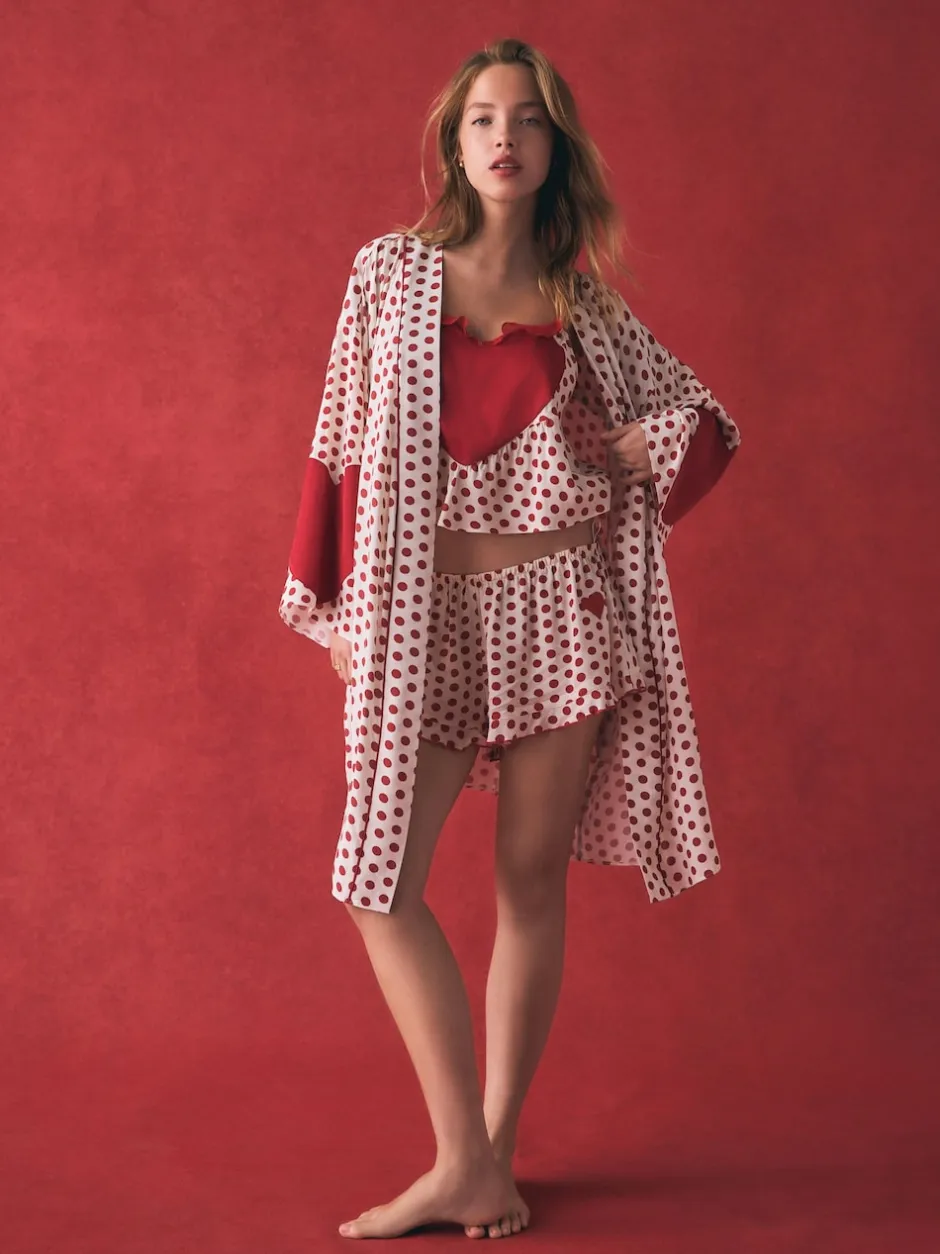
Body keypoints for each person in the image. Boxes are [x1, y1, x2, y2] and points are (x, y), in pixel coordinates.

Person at [279, 37, 742, 1241]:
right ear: (453, 143)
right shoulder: (388, 276)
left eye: (526, 119)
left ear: (554, 147)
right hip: (422, 613)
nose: (502, 137)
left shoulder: (588, 309)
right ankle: (464, 1159)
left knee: (529, 882)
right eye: (482, 118)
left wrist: (658, 441)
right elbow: (336, 443)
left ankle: (488, 1155)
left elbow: (704, 421)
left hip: (563, 613)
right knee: (376, 880)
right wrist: (336, 606)